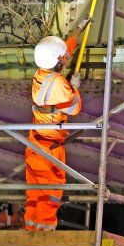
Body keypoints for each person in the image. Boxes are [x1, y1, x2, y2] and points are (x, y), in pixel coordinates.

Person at [26, 26, 86, 231]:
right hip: (49, 146)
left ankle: (31, 228)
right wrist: (75, 87)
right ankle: (44, 230)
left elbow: (63, 53)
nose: (66, 59)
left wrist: (77, 32)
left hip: (35, 142)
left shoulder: (41, 72)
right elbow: (74, 108)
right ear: (57, 61)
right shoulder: (59, 84)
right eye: (63, 58)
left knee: (35, 190)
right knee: (51, 189)